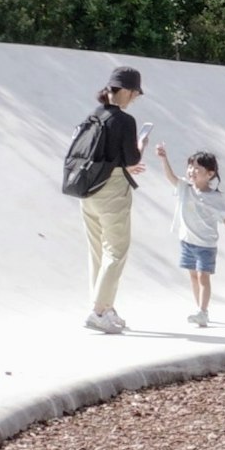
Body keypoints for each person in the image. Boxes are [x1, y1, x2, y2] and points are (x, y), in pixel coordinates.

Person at [61, 68, 149, 331]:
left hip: (88, 190)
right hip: (112, 191)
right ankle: (99, 311)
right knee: (116, 250)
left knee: (97, 251)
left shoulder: (92, 116)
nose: (134, 99)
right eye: (134, 94)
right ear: (126, 91)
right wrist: (140, 146)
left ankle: (105, 306)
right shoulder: (124, 121)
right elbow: (132, 159)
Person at [176, 152, 225, 329]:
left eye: (197, 168)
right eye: (190, 167)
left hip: (206, 245)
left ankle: (203, 311)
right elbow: (170, 177)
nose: (192, 171)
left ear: (210, 174)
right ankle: (199, 309)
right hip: (187, 242)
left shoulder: (214, 197)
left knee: (203, 277)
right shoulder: (186, 189)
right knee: (193, 277)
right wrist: (163, 158)